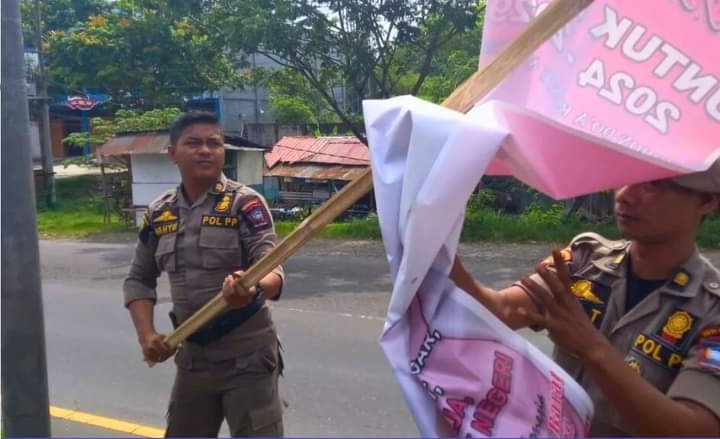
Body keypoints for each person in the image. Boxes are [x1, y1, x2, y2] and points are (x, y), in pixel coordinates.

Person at [450, 164, 720, 436]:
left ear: (706, 200)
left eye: (655, 184)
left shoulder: (713, 310)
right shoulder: (586, 259)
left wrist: (591, 347)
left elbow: (695, 429)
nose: (625, 195)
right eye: (626, 176)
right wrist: (435, 236)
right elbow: (501, 309)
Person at [123, 112, 285, 437]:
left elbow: (273, 270)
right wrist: (147, 335)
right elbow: (139, 279)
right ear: (172, 153)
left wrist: (251, 289)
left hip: (248, 359)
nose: (205, 151)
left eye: (214, 143)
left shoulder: (245, 203)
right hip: (193, 358)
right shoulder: (159, 213)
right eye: (194, 143)